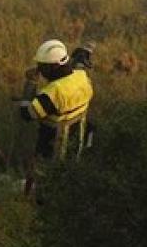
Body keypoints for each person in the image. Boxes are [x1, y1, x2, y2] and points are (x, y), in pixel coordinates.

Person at [18, 39, 94, 197]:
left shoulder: (52, 94)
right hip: (76, 146)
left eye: (42, 67)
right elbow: (78, 65)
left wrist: (30, 83)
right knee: (68, 187)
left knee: (47, 191)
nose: (40, 71)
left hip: (52, 152)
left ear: (52, 67)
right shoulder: (82, 78)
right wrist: (84, 51)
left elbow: (26, 114)